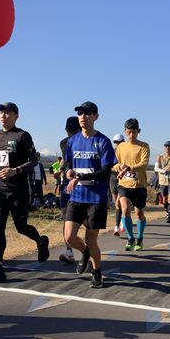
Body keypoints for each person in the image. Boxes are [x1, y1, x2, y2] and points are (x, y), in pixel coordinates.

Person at [0, 102, 50, 283]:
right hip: (0, 189)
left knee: (21, 227)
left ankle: (41, 241)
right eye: (1, 113)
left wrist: (16, 170)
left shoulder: (22, 135)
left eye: (7, 113)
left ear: (16, 116)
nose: (3, 116)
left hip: (18, 189)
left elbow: (34, 161)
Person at [63, 101, 115, 288]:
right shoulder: (72, 141)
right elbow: (68, 165)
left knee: (91, 240)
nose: (83, 117)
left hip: (96, 198)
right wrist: (69, 172)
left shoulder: (103, 141)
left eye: (87, 113)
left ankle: (96, 271)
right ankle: (84, 252)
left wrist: (81, 177)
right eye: (80, 113)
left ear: (96, 116)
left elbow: (105, 171)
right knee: (69, 237)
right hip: (76, 196)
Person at [113, 118, 150, 251]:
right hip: (124, 184)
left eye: (134, 132)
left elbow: (144, 164)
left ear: (138, 131)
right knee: (124, 209)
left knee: (139, 214)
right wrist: (119, 167)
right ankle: (130, 239)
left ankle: (139, 238)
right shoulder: (121, 147)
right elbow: (114, 164)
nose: (131, 135)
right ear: (125, 132)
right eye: (129, 132)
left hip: (139, 185)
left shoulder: (144, 146)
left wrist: (129, 168)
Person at [58, 116, 81, 263]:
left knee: (68, 217)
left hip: (75, 183)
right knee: (70, 217)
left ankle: (72, 250)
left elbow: (65, 161)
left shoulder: (64, 142)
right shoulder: (68, 142)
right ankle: (72, 251)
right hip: (73, 182)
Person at [154, 140, 170, 224]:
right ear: (164, 147)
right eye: (166, 146)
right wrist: (164, 171)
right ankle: (167, 211)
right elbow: (156, 168)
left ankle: (169, 215)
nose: (167, 147)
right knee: (164, 199)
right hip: (162, 180)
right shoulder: (159, 157)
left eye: (169, 146)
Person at [110, 134, 124, 236]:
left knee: (120, 201)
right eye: (115, 142)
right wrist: (115, 169)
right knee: (117, 203)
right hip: (113, 178)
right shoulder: (112, 152)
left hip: (124, 179)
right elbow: (108, 166)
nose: (117, 144)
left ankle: (117, 225)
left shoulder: (126, 152)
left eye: (119, 142)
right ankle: (120, 222)